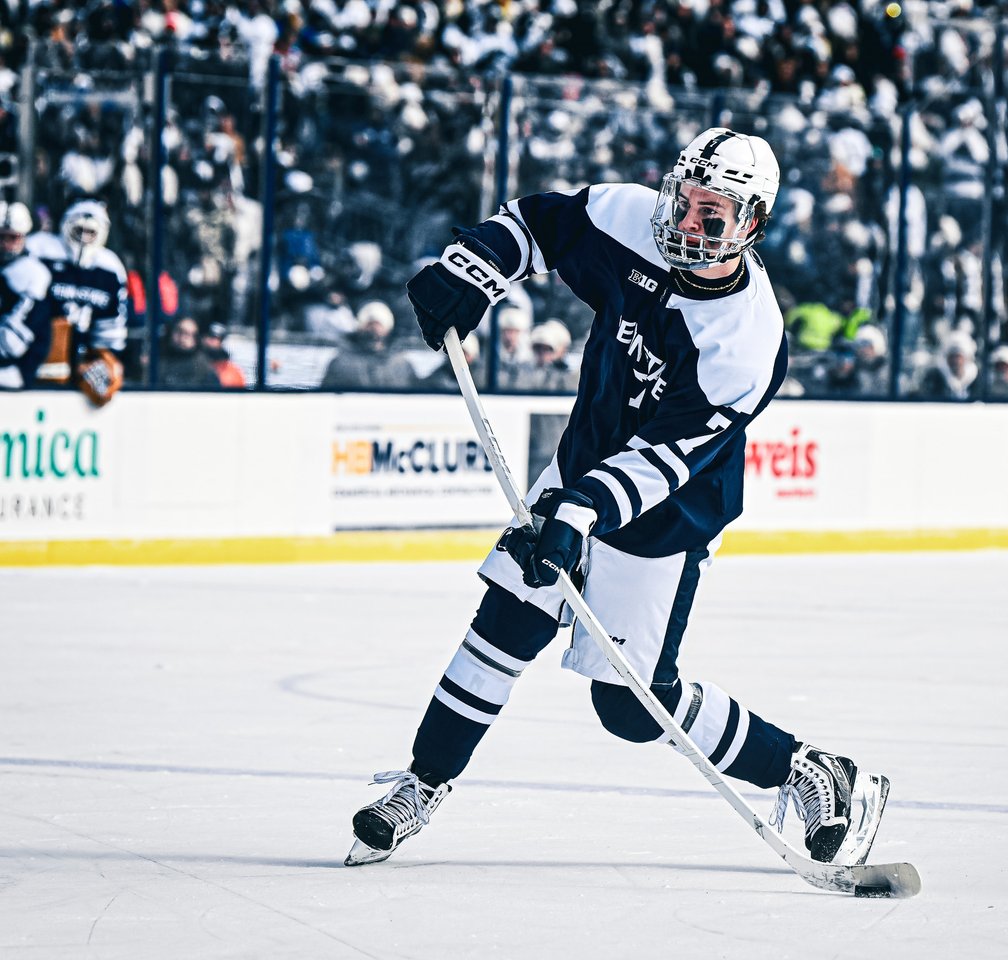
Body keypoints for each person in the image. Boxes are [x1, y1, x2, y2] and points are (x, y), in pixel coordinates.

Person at [344, 128, 892, 870]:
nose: (687, 223)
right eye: (684, 200)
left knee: (631, 707)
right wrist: (473, 270)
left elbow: (668, 459)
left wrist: (579, 512)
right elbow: (540, 224)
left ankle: (808, 769)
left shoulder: (746, 342)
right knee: (506, 623)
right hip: (580, 465)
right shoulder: (631, 219)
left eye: (713, 215)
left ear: (751, 225)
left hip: (663, 520)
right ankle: (420, 783)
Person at [25, 199, 129, 404]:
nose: (83, 237)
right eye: (79, 229)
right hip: (34, 359)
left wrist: (101, 358)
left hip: (80, 363)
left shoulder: (110, 267)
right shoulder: (40, 251)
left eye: (90, 232)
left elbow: (111, 325)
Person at [0, 201, 52, 390]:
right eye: (1, 238)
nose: (5, 245)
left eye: (12, 238)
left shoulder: (34, 275)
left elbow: (15, 342)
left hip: (15, 370)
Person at [320, 300, 418, 390]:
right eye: (368, 325)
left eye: (378, 325)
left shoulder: (401, 364)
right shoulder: (340, 364)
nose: (373, 331)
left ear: (388, 330)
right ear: (359, 329)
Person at [159, 316, 222, 388]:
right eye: (179, 331)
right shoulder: (157, 361)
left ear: (195, 339)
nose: (182, 337)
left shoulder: (204, 367)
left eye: (188, 334)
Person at [200, 322, 246, 388]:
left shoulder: (233, 372)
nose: (212, 341)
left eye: (218, 338)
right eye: (210, 336)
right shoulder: (191, 362)